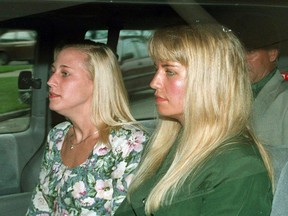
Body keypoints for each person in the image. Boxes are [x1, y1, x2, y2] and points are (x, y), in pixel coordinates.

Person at [114, 24, 273, 216]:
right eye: (156, 69)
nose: (153, 82)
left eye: (169, 71)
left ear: (209, 81)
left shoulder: (240, 166)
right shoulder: (164, 145)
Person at [26, 40, 148, 215]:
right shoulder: (58, 136)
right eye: (53, 71)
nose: (51, 81)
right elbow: (41, 204)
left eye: (65, 73)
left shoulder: (129, 143)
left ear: (97, 83)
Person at [234, 15, 288, 185]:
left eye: (249, 51)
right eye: (238, 52)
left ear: (272, 54)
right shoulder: (229, 97)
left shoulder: (284, 99)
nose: (241, 59)